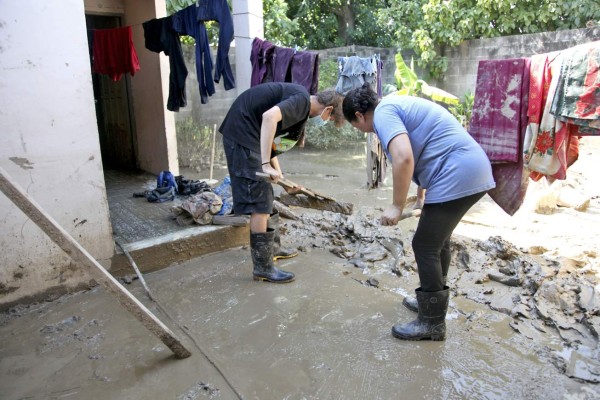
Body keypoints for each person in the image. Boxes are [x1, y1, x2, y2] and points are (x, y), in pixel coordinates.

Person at [342, 84, 495, 341]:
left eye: (355, 125)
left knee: (424, 245)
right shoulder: (395, 107)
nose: (361, 130)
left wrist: (396, 206)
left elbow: (403, 158)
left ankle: (432, 323)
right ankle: (431, 300)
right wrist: (421, 198)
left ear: (359, 115)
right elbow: (425, 150)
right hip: (467, 168)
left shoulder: (383, 114)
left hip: (457, 172)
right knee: (437, 241)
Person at [219, 82, 344, 283]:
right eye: (330, 119)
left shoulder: (300, 110)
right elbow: (268, 117)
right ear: (328, 110)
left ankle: (273, 249)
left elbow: (272, 146)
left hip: (248, 135)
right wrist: (265, 164)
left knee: (266, 194)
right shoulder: (301, 101)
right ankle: (263, 268)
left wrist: (282, 179)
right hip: (242, 136)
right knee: (259, 202)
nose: (326, 121)